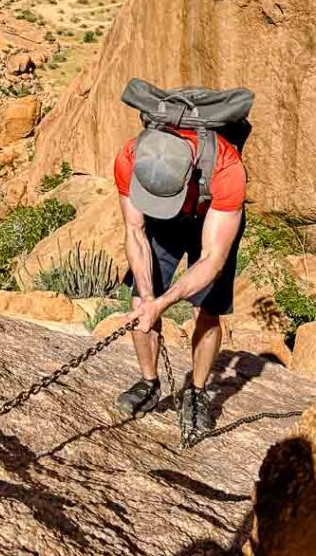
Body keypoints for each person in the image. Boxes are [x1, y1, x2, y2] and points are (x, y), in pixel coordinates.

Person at [113, 125, 247, 434]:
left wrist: (163, 303)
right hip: (165, 219)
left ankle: (198, 392)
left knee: (207, 310)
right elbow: (134, 230)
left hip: (211, 213)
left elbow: (212, 258)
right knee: (139, 300)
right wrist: (148, 297)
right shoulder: (130, 157)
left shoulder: (227, 169)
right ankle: (149, 383)